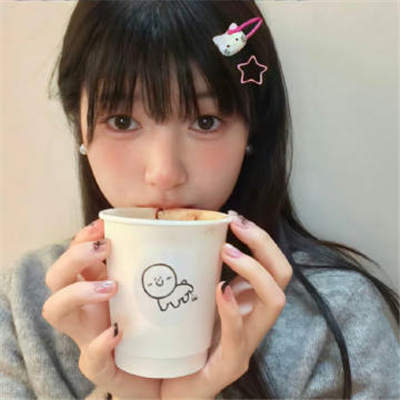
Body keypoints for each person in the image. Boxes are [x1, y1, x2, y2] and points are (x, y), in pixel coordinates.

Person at [1, 1, 399, 399]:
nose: (164, 173)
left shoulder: (339, 318)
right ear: (80, 128)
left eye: (205, 121)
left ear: (250, 133)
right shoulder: (24, 304)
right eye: (122, 121)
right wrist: (131, 392)